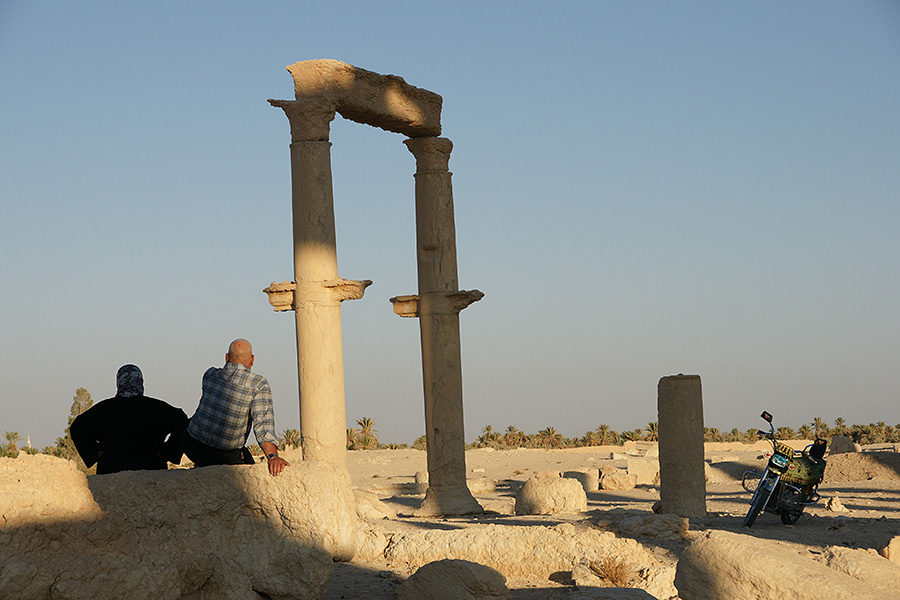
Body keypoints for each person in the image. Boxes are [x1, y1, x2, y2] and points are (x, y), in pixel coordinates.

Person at [182, 339, 290, 476]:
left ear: (226, 357)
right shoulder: (258, 384)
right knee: (248, 464)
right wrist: (272, 456)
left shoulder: (209, 375)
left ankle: (165, 454)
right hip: (224, 457)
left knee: (187, 419)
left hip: (193, 447)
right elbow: (263, 426)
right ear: (252, 360)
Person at [70, 364, 188, 474]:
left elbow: (77, 428)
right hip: (151, 468)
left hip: (112, 468)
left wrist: (95, 453)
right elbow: (182, 421)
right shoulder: (158, 408)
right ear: (141, 382)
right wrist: (166, 452)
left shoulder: (104, 409)